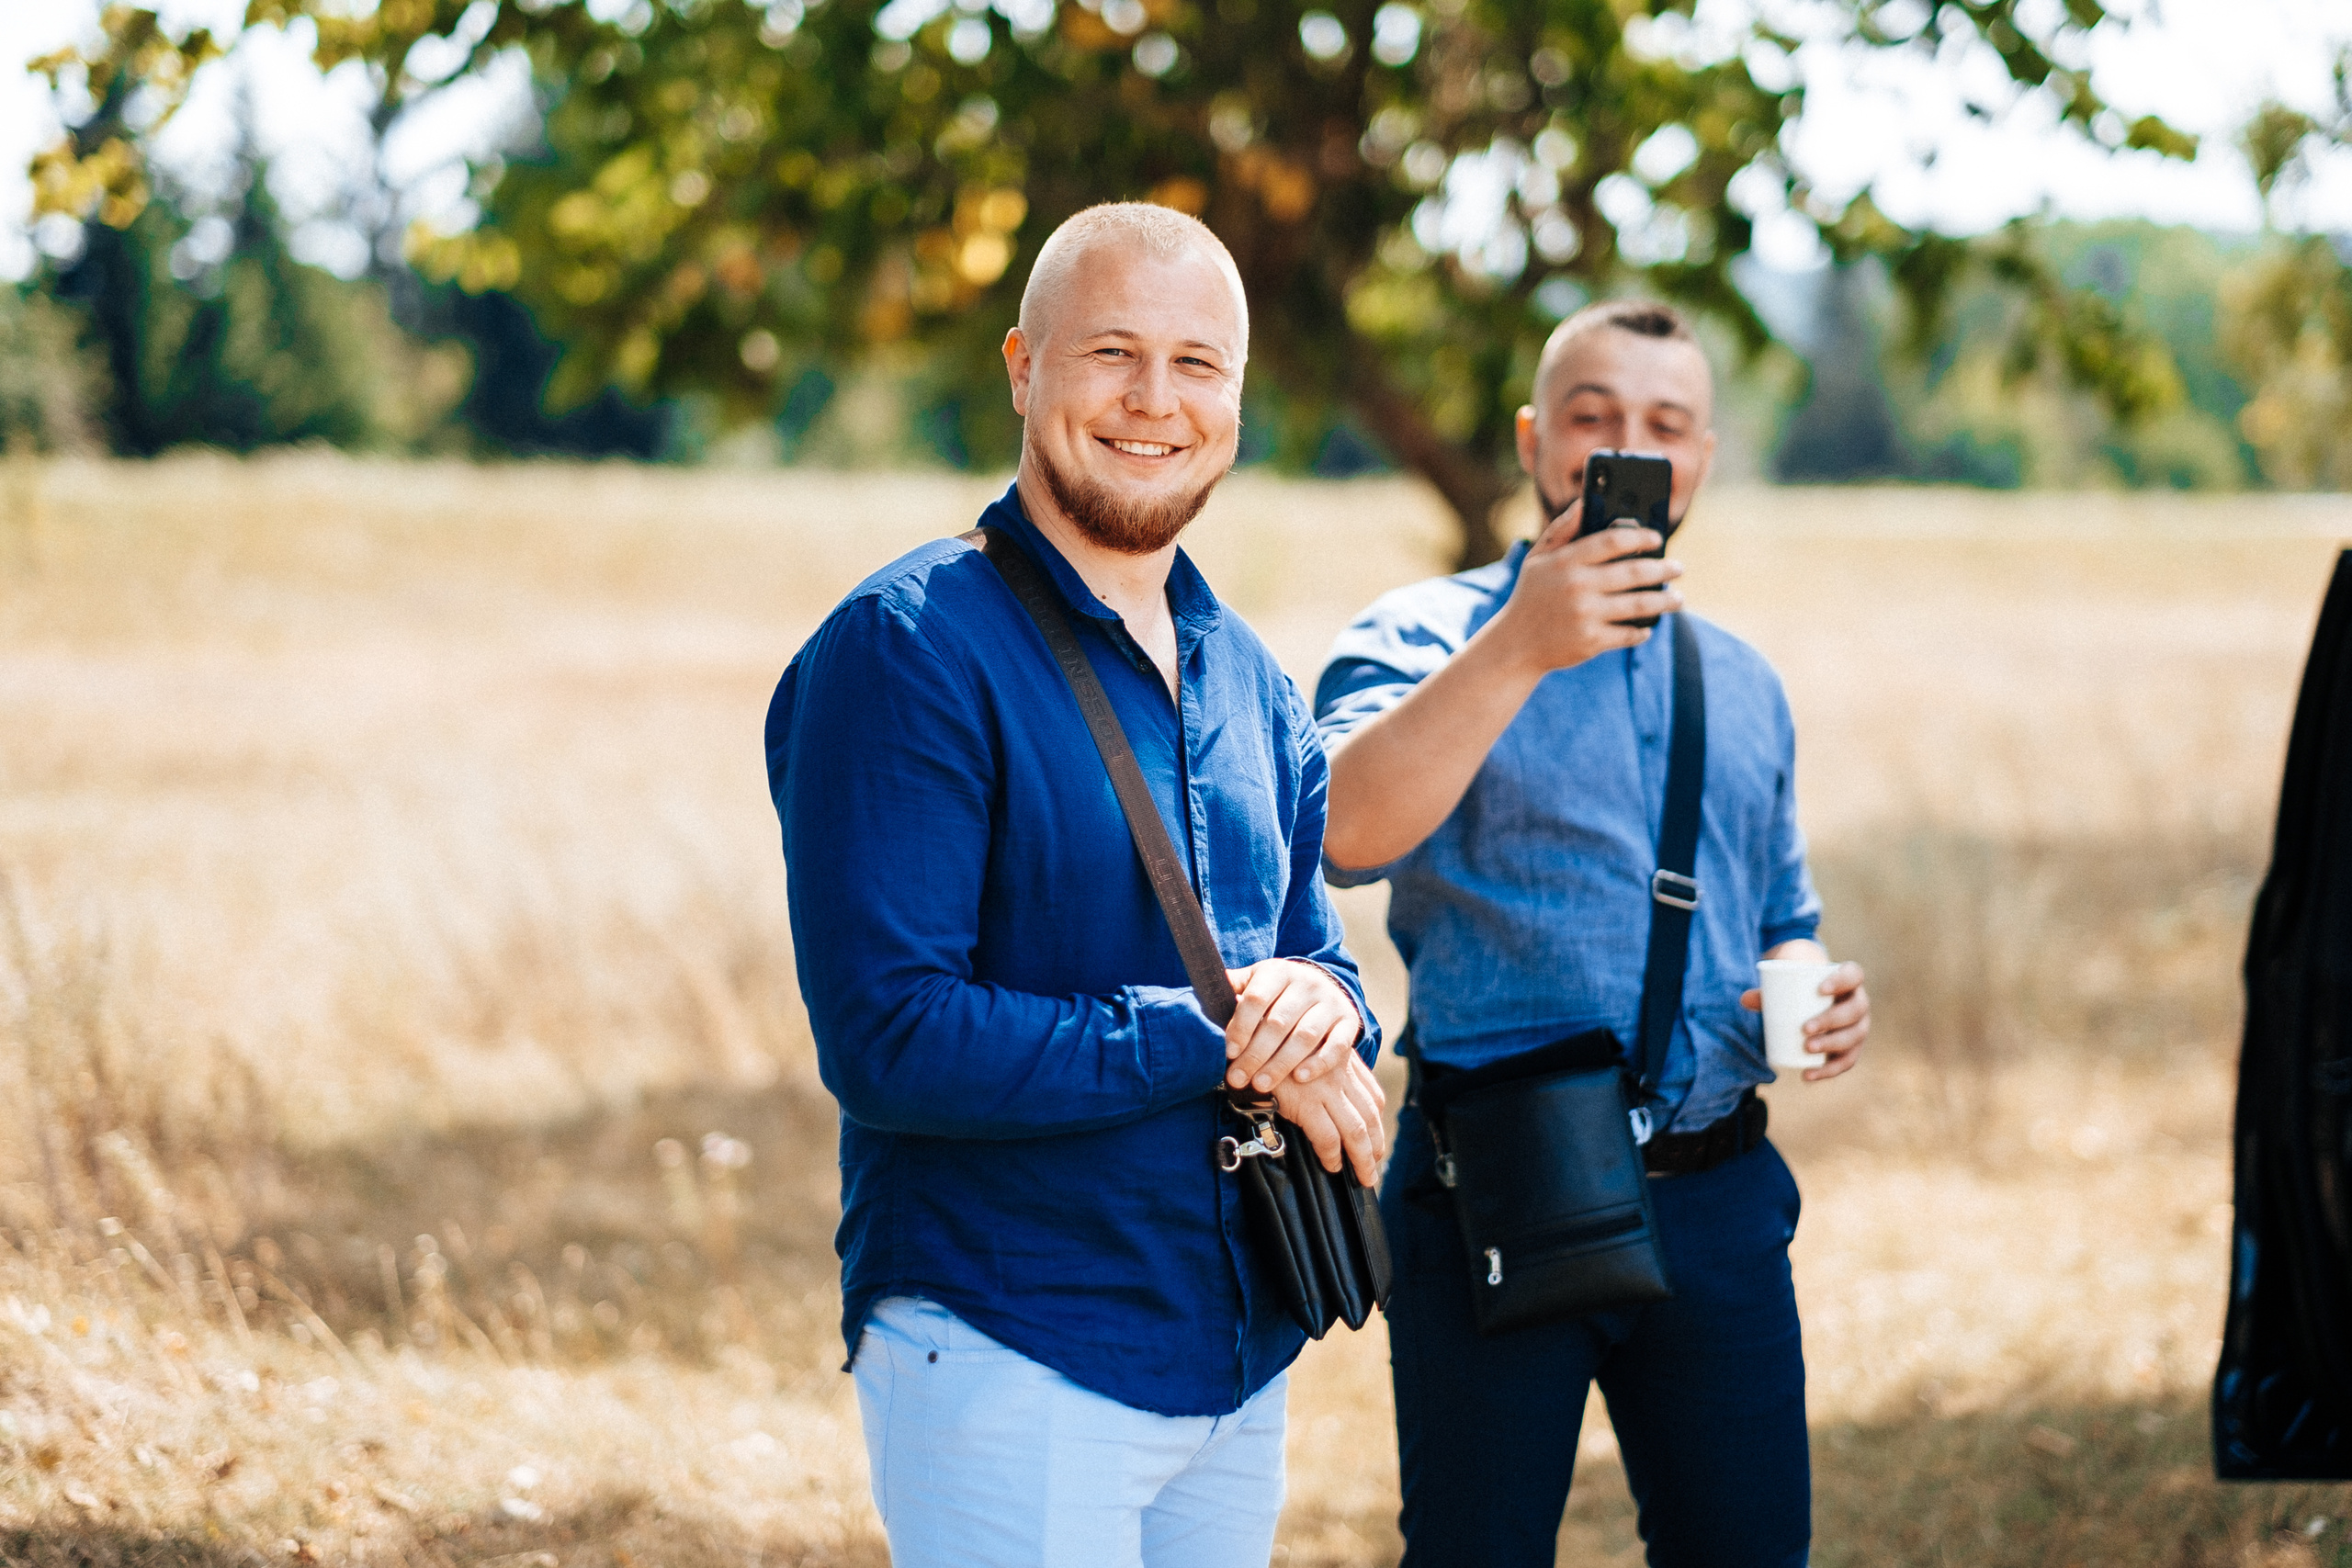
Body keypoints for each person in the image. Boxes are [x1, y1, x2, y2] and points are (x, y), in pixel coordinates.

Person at [764, 203, 1387, 1568]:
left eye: (1196, 363)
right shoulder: (909, 647)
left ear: (1236, 395)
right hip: (1010, 1346)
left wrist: (1328, 1020)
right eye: (1112, 351)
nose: (1153, 400)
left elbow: (1318, 970)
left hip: (1238, 1349)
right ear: (1023, 368)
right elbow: (893, 1040)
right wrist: (1229, 1031)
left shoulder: (1254, 679)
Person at [1312, 298, 1871, 1568]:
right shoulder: (1418, 637)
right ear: (1532, 440)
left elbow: (1783, 915)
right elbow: (1343, 833)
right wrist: (1519, 648)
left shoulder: (1741, 679)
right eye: (1593, 416)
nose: (1626, 443)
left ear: (1703, 461)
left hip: (1720, 1200)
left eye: (1664, 424)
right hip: (1493, 1192)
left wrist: (1808, 989)